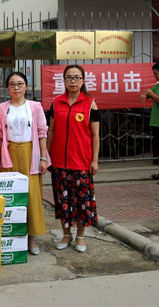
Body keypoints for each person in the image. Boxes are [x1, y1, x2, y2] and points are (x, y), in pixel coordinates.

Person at [0, 71, 49, 255]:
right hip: (9, 152)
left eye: (20, 84)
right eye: (12, 84)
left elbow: (42, 132)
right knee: (11, 195)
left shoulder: (35, 107)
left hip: (30, 153)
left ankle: (31, 239)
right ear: (7, 88)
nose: (16, 87)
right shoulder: (2, 108)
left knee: (31, 196)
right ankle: (12, 238)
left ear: (26, 86)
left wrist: (43, 157)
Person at [47, 64, 100, 253]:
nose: (73, 81)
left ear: (83, 80)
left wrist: (94, 160)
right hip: (59, 162)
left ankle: (80, 236)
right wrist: (46, 156)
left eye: (77, 77)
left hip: (81, 163)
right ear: (64, 80)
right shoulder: (56, 103)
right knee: (63, 202)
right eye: (69, 77)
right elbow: (51, 131)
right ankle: (66, 234)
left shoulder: (90, 104)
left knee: (81, 203)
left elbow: (95, 135)